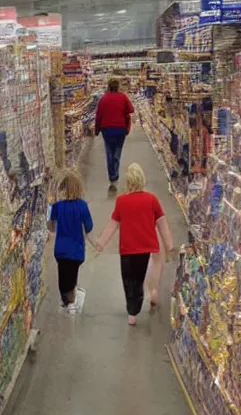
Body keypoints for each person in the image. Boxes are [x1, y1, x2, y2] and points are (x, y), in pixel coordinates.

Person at [96, 163, 174, 326]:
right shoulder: (152, 200)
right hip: (144, 249)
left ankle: (132, 310)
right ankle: (135, 308)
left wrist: (101, 242)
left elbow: (113, 224)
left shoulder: (121, 201)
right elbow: (162, 224)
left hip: (127, 249)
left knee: (127, 279)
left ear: (128, 182)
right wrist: (169, 245)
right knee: (138, 279)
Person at [47, 170, 94, 312]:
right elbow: (89, 228)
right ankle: (73, 300)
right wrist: (97, 243)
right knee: (72, 276)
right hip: (77, 251)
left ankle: (69, 301)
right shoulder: (83, 206)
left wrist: (49, 211)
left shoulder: (58, 207)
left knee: (63, 280)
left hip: (61, 251)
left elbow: (51, 227)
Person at [95, 78, 134, 185]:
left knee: (109, 152)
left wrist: (97, 130)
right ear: (118, 87)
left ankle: (112, 175)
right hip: (120, 129)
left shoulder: (103, 99)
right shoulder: (123, 97)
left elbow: (98, 116)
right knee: (117, 150)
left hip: (106, 130)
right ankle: (116, 169)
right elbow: (131, 109)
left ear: (108, 86)